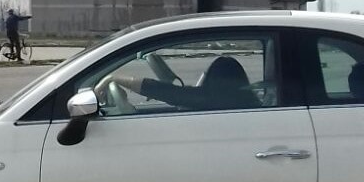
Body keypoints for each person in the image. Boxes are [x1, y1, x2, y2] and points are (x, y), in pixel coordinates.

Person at [97, 55, 260, 111]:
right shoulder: (252, 102)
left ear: (212, 79)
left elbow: (160, 90)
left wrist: (112, 78)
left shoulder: (206, 100)